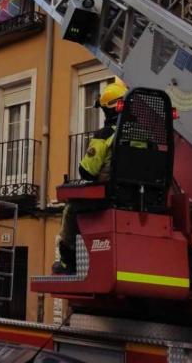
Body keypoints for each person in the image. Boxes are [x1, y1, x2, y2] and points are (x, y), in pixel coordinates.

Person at [52, 81, 127, 275]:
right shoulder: (141, 135)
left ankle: (68, 261)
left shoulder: (105, 135)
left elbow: (87, 172)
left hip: (109, 196)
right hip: (137, 197)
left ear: (108, 111)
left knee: (71, 209)